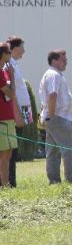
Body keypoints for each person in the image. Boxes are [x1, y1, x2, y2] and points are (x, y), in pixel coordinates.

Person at [39, 49, 72, 184]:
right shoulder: (53, 75)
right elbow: (52, 95)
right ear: (54, 61)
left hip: (54, 117)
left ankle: (54, 181)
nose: (66, 62)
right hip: (57, 117)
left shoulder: (55, 74)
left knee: (53, 151)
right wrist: (51, 115)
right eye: (63, 60)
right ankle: (71, 181)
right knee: (70, 150)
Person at [7, 36, 32, 187]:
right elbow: (12, 93)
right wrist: (18, 115)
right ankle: (10, 181)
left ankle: (11, 179)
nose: (24, 50)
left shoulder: (14, 65)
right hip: (13, 113)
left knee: (14, 149)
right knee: (10, 150)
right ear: (15, 48)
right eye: (22, 47)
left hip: (19, 111)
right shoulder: (9, 66)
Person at [0, 44, 17, 187]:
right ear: (3, 54)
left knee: (8, 152)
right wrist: (12, 75)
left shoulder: (3, 71)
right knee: (5, 153)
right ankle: (5, 185)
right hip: (3, 118)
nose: (11, 54)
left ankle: (5, 184)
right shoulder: (1, 73)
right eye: (9, 52)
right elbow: (11, 94)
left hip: (8, 116)